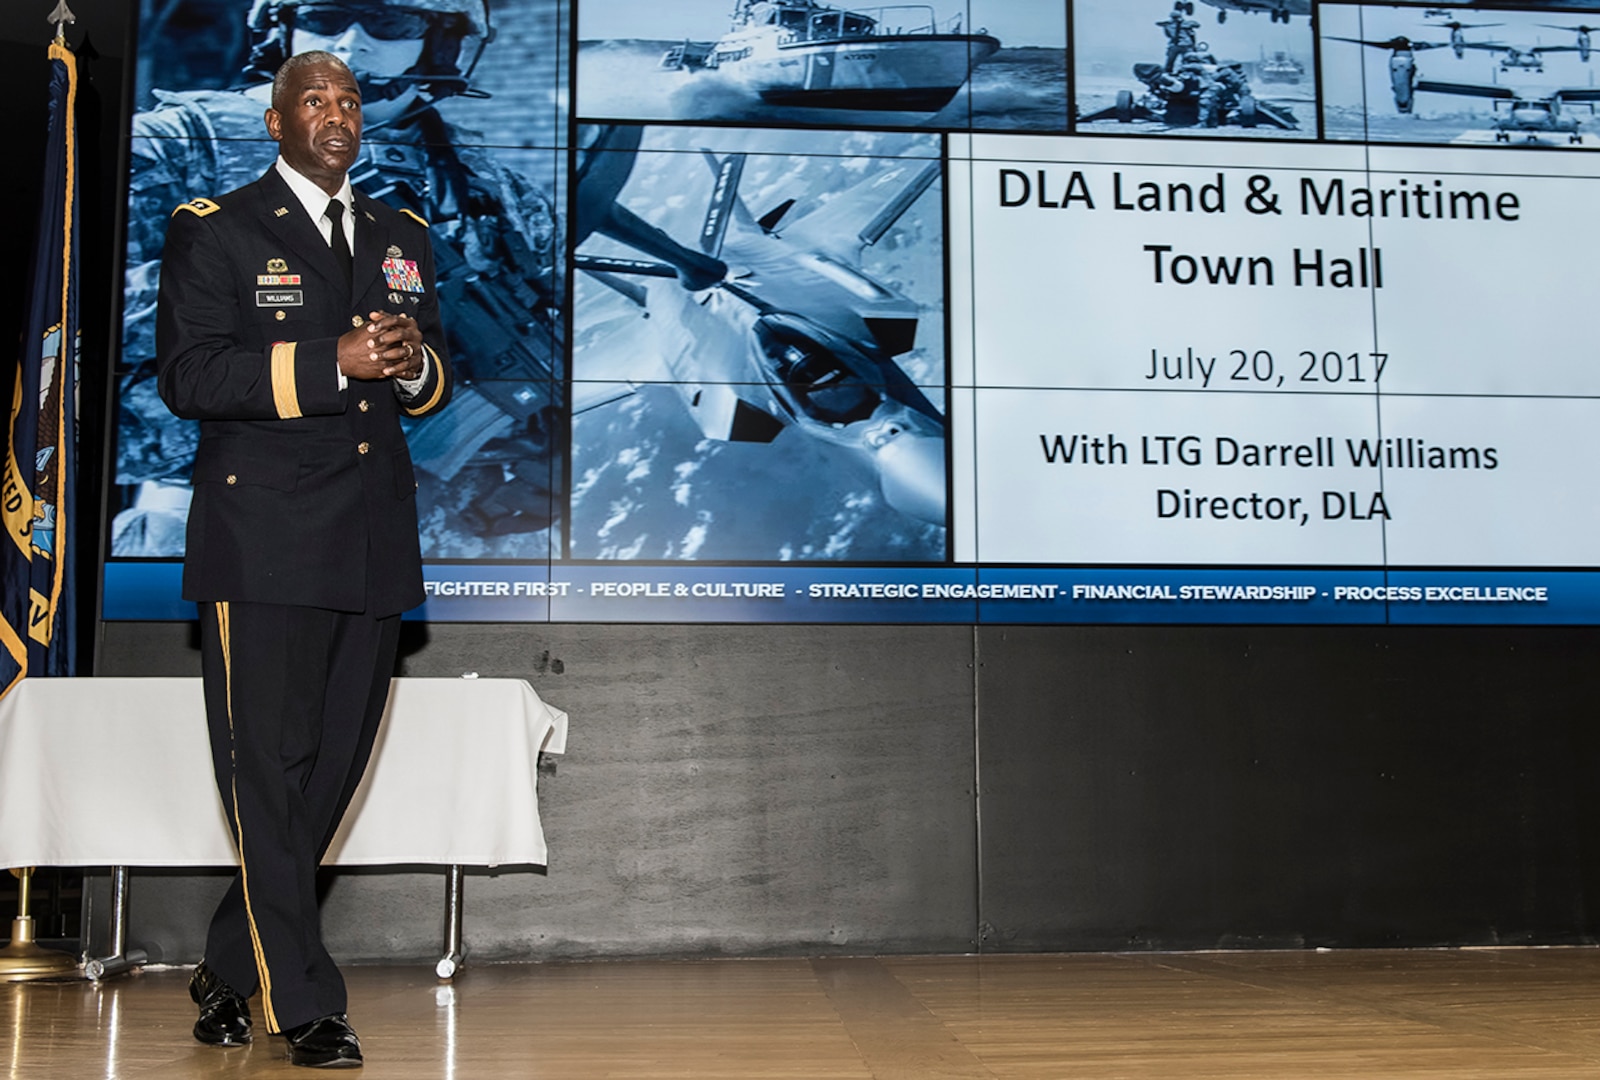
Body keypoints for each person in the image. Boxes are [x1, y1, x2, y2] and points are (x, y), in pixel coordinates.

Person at [156, 49, 451, 1069]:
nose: (337, 114)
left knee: (328, 773)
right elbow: (190, 375)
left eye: (349, 100)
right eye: (314, 101)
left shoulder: (398, 231)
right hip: (266, 542)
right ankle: (304, 998)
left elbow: (433, 373)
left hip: (373, 535)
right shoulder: (219, 229)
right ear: (278, 123)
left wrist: (412, 365)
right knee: (267, 776)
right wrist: (331, 358)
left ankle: (228, 965)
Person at [116, 0, 561, 557]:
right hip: (229, 536)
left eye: (389, 22)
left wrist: (547, 454)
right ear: (282, 25)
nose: (350, 41)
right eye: (324, 17)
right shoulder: (177, 148)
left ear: (442, 41)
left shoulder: (492, 190)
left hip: (434, 557)